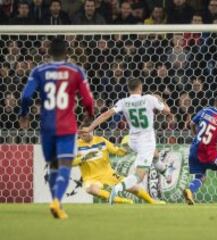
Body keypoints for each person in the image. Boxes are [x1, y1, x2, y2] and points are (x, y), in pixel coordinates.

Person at [19, 37, 94, 219]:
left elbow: (26, 96)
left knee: (53, 164)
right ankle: (56, 201)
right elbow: (88, 100)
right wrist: (89, 114)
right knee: (65, 164)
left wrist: (24, 114)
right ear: (67, 53)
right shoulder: (76, 71)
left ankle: (56, 204)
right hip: (67, 126)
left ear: (49, 52)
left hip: (46, 126)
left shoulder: (39, 70)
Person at [79, 78, 172, 204]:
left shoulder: (124, 102)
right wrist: (159, 99)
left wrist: (90, 127)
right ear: (141, 87)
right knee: (138, 177)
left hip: (133, 140)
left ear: (129, 89)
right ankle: (117, 189)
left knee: (154, 155)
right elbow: (167, 111)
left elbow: (106, 115)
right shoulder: (149, 98)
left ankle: (166, 173)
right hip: (145, 141)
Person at [73, 120, 165, 204]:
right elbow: (70, 163)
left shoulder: (101, 141)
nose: (87, 135)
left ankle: (152, 201)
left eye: (89, 132)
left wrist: (126, 147)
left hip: (108, 174)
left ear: (92, 131)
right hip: (91, 177)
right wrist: (84, 158)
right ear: (80, 134)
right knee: (91, 190)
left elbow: (118, 152)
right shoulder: (76, 145)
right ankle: (120, 201)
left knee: (133, 187)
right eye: (84, 134)